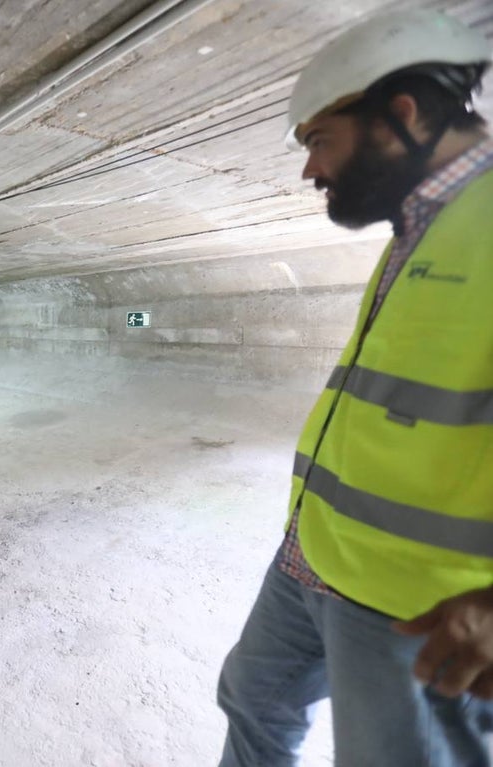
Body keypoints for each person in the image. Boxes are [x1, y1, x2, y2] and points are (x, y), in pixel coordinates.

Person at [216, 10, 493, 766]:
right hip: (314, 554)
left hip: (417, 605)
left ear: (399, 115)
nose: (309, 170)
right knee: (254, 700)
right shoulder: (422, 225)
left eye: (318, 140)